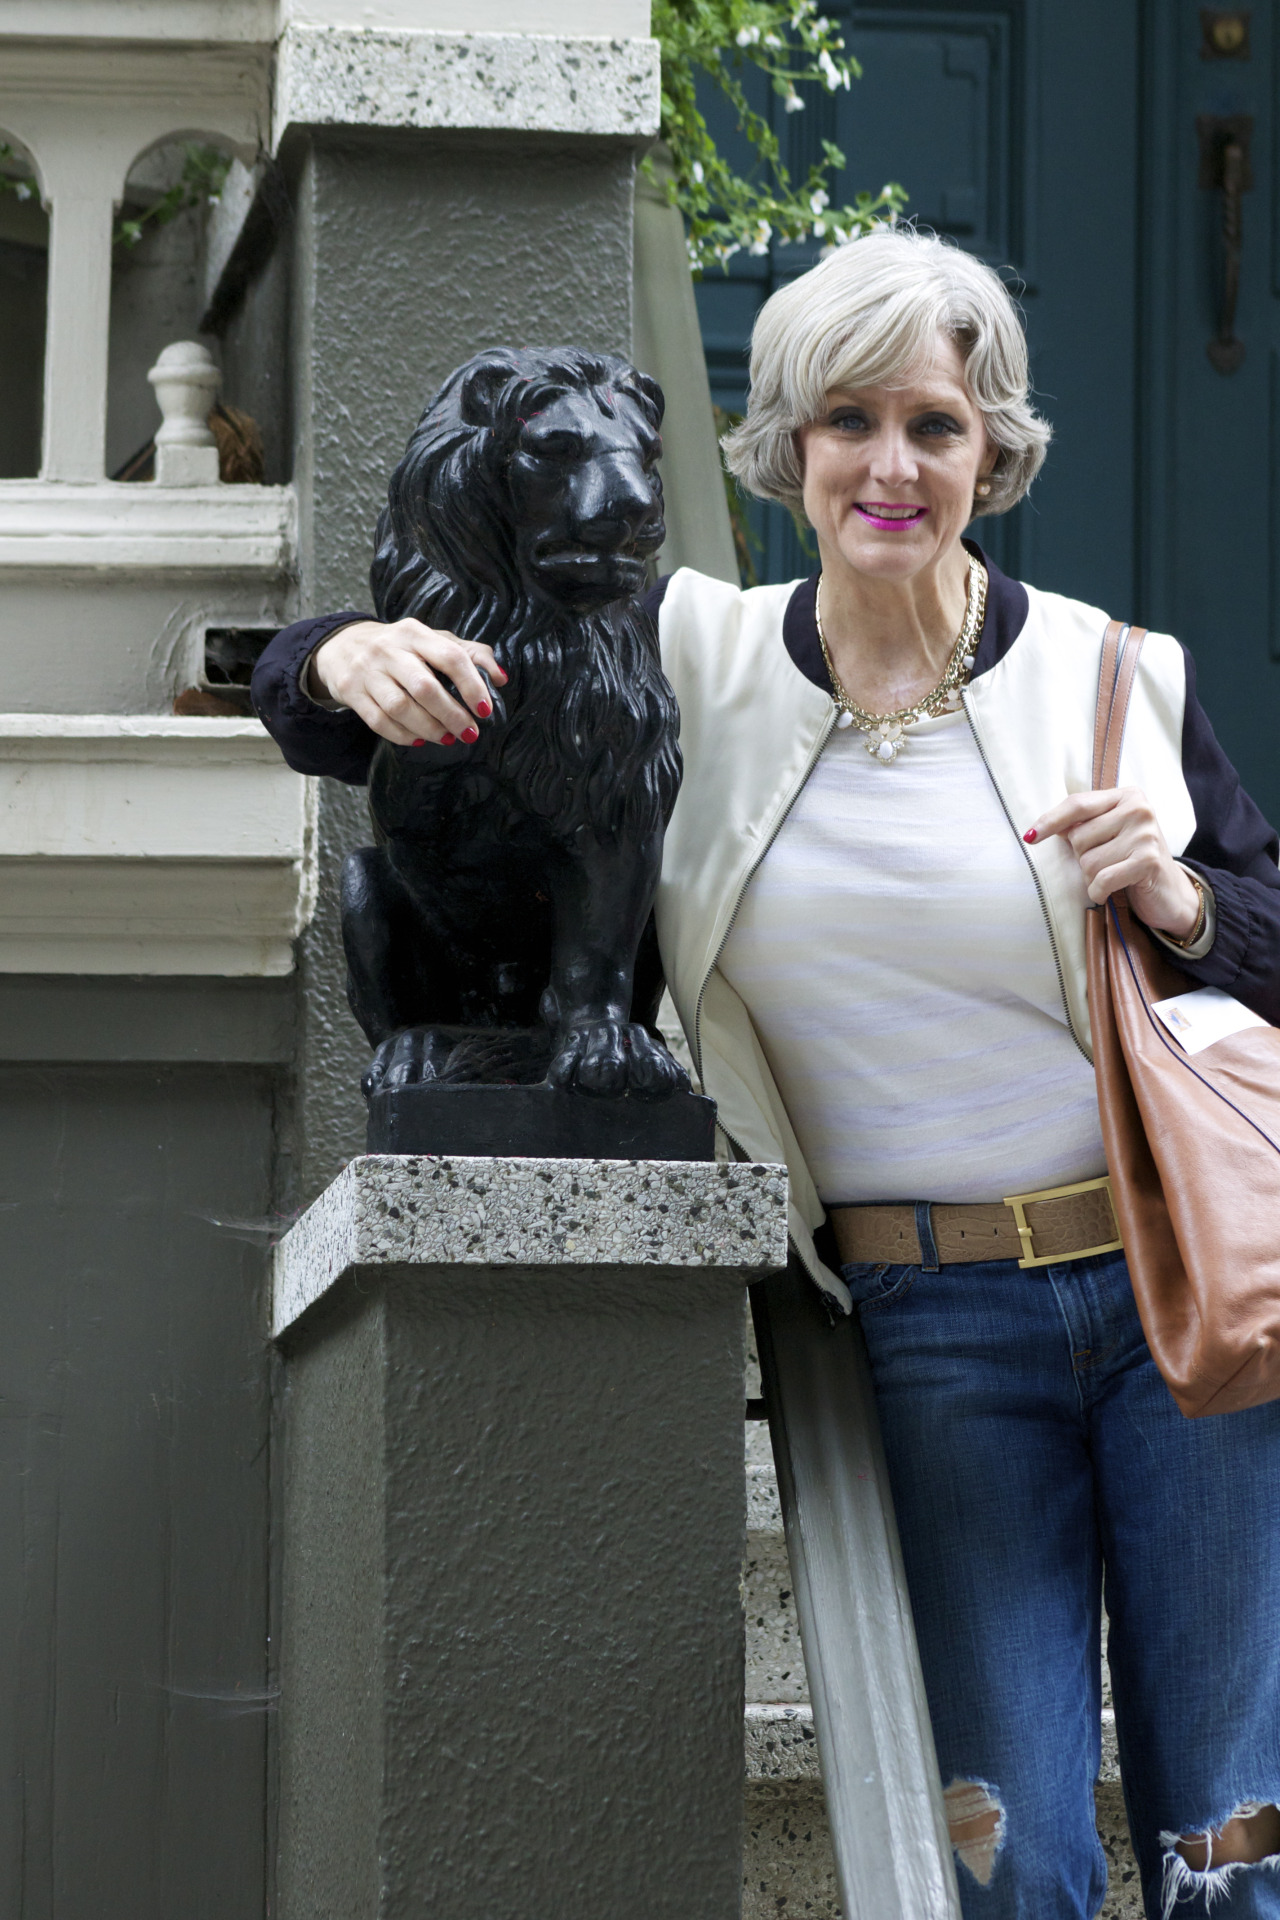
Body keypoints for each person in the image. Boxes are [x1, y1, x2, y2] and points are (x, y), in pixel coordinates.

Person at [250, 227, 1280, 1919]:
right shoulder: (690, 656)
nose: (892, 467)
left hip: (1180, 1296)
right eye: (848, 421)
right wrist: (334, 656)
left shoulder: (1110, 673)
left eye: (935, 426)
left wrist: (1178, 901)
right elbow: (363, 686)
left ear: (994, 453)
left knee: (1228, 1847)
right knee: (1008, 1857)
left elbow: (1266, 935)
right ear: (787, 447)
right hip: (933, 1324)